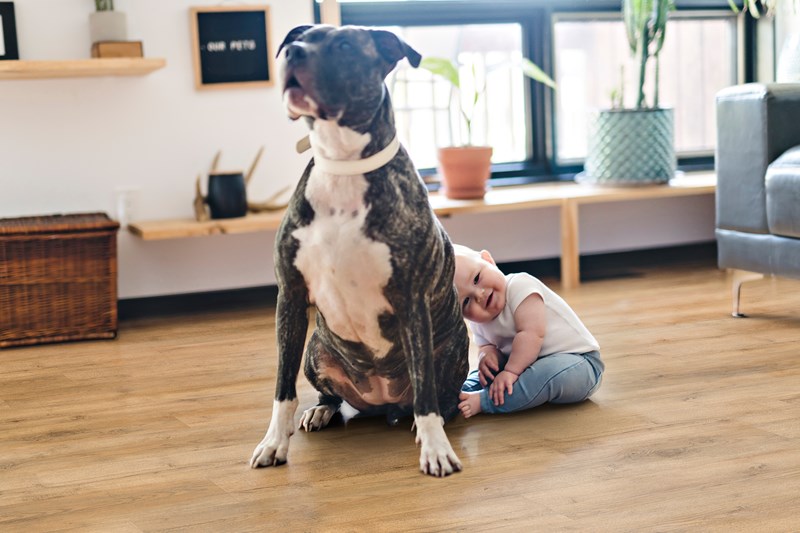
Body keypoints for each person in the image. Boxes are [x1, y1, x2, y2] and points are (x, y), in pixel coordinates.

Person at [452, 244, 604, 417]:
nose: (479, 295)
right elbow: (485, 345)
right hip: (524, 365)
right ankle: (460, 392)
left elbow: (531, 334)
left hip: (579, 365)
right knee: (487, 372)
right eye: (465, 302)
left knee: (544, 372)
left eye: (477, 278)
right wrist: (487, 356)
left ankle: (485, 401)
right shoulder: (478, 321)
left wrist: (511, 372)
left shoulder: (520, 286)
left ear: (488, 260)